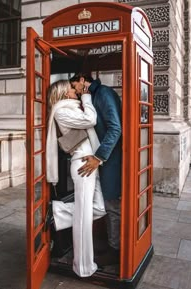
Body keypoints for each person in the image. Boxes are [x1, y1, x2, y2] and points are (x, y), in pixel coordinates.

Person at [46, 80, 106, 277]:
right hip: (82, 165)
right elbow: (91, 119)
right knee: (83, 217)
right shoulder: (63, 111)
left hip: (91, 162)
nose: (75, 90)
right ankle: (83, 267)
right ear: (64, 93)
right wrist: (87, 96)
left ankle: (58, 212)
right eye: (72, 88)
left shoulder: (70, 108)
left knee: (98, 208)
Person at [70, 73, 122, 266]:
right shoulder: (92, 97)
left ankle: (115, 250)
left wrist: (98, 157)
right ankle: (110, 243)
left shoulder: (104, 93)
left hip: (111, 160)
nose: (75, 91)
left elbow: (116, 128)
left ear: (83, 80)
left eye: (75, 86)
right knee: (107, 205)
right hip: (102, 159)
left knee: (112, 206)